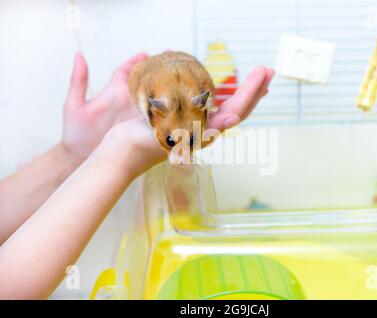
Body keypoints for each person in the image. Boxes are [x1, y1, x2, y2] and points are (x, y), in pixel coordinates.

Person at [0, 52, 275, 299]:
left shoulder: (196, 95)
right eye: (172, 140)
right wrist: (119, 154)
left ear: (203, 105)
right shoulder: (151, 99)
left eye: (189, 140)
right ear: (152, 111)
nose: (181, 152)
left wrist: (74, 153)